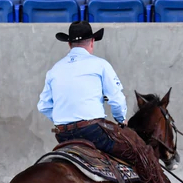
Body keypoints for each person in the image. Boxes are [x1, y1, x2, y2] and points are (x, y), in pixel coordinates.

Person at [37, 21, 170, 183]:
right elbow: (116, 99)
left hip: (63, 135)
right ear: (92, 42)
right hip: (94, 131)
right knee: (140, 152)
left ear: (69, 44)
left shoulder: (54, 70)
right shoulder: (100, 65)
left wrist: (63, 119)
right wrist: (121, 120)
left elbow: (43, 106)